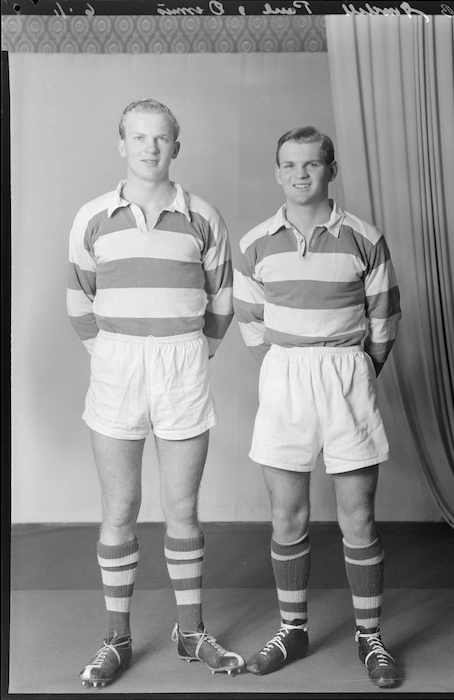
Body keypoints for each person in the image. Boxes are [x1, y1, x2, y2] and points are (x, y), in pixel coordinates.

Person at [67, 98, 243, 688]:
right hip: (117, 366)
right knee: (119, 509)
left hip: (183, 367)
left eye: (160, 138)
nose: (149, 147)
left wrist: (189, 352)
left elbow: (222, 303)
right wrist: (117, 353)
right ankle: (116, 639)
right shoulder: (92, 216)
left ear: (176, 146)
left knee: (183, 509)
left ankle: (189, 632)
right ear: (122, 144)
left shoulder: (204, 217)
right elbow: (79, 300)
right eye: (138, 137)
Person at [233, 127, 402, 688]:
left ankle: (370, 637)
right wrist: (286, 369)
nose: (301, 174)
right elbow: (251, 323)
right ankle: (293, 627)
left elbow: (383, 321)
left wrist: (355, 369)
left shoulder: (363, 237)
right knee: (288, 515)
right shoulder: (257, 242)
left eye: (312, 164)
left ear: (331, 169)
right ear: (277, 172)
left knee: (358, 517)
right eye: (290, 165)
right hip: (285, 375)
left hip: (346, 372)